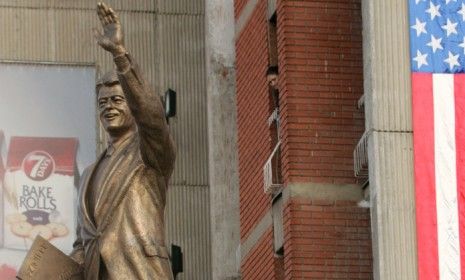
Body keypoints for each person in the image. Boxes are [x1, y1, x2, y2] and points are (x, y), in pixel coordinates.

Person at [69, 2, 176, 279]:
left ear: (131, 105)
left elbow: (152, 118)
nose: (108, 107)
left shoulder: (148, 152)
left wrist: (120, 54)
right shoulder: (89, 173)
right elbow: (83, 244)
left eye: (117, 100)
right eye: (102, 102)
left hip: (139, 272)